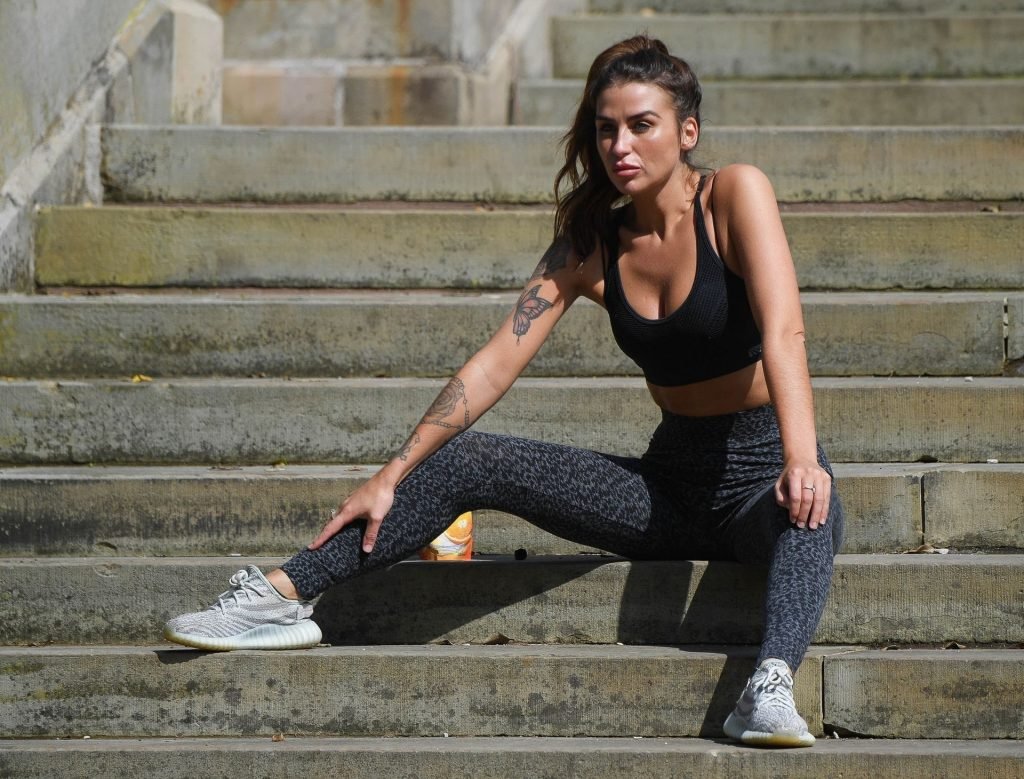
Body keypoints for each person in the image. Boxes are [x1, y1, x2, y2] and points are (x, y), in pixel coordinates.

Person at [164, 34, 844, 748]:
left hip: (761, 472)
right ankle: (282, 594)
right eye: (606, 129)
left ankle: (769, 687)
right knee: (469, 459)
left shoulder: (733, 194)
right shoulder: (590, 245)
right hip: (670, 486)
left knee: (813, 508)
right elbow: (494, 363)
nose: (620, 146)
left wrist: (799, 457)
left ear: (687, 131)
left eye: (642, 125)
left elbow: (785, 331)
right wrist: (391, 473)